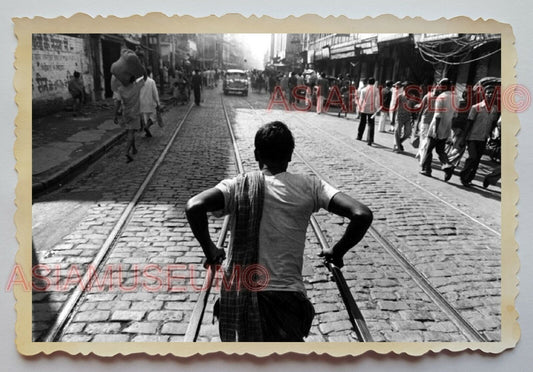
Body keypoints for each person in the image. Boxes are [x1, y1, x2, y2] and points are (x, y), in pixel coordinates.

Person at [185, 121, 373, 342]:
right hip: (287, 300)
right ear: (291, 155)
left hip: (241, 297)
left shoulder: (237, 186)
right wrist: (337, 251)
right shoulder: (311, 186)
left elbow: (194, 206)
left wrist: (210, 249)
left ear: (256, 154)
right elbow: (361, 214)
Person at [458, 87, 500, 187]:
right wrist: (464, 138)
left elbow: (493, 124)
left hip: (483, 138)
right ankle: (463, 175)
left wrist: (491, 137)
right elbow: (469, 123)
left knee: (477, 160)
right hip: (472, 137)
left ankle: (469, 179)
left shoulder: (494, 109)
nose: (490, 95)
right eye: (488, 93)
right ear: (483, 95)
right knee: (472, 157)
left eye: (492, 93)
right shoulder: (476, 107)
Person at [420, 78, 455, 179]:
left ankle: (427, 170)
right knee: (440, 150)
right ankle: (447, 165)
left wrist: (435, 131)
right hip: (447, 127)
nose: (438, 86)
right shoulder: (455, 98)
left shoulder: (441, 97)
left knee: (428, 149)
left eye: (439, 84)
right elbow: (455, 115)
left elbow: (438, 115)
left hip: (437, 127)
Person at [112, 73, 146, 163]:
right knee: (131, 132)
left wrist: (115, 115)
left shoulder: (120, 89)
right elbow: (145, 78)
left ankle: (134, 149)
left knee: (130, 130)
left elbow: (118, 103)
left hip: (126, 112)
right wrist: (142, 70)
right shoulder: (137, 87)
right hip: (135, 113)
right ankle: (127, 151)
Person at [392, 82, 419, 153]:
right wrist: (392, 119)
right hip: (399, 117)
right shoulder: (400, 96)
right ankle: (398, 147)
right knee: (397, 132)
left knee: (408, 133)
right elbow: (395, 108)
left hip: (407, 117)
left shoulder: (412, 97)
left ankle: (399, 142)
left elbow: (412, 108)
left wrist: (413, 118)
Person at [357, 77, 380, 146]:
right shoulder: (376, 90)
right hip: (372, 109)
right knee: (371, 124)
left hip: (364, 108)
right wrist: (377, 108)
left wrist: (359, 108)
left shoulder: (363, 89)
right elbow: (377, 100)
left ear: (368, 82)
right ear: (374, 82)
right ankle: (370, 140)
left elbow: (361, 100)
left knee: (362, 122)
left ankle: (359, 136)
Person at [139, 68, 160, 138]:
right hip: (151, 103)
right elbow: (155, 93)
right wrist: (158, 103)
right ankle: (146, 126)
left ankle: (147, 131)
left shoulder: (138, 81)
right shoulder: (151, 81)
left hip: (142, 103)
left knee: (146, 118)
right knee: (153, 117)